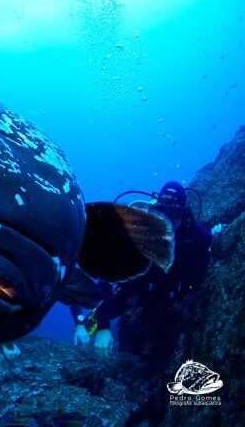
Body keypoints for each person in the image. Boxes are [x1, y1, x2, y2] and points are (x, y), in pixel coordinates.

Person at [83, 181, 213, 426]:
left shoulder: (196, 236)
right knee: (100, 315)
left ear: (183, 212)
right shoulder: (139, 231)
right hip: (135, 292)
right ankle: (87, 324)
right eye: (164, 210)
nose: (169, 219)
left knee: (164, 339)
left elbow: (205, 249)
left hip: (168, 298)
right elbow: (105, 274)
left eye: (175, 212)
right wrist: (102, 327)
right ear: (157, 207)